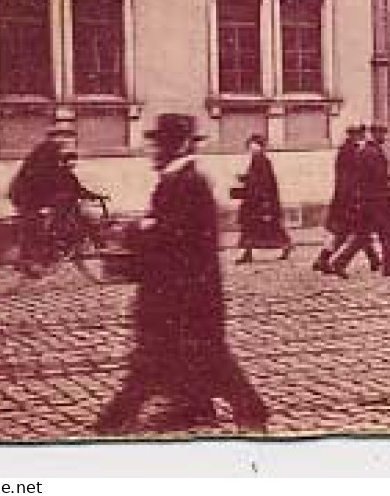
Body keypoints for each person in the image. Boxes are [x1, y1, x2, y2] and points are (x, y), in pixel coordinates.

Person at [94, 113, 267, 435]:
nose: (154, 152)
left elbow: (173, 239)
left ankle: (112, 423)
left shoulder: (186, 183)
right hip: (182, 293)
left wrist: (135, 232)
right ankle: (199, 409)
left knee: (159, 360)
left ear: (175, 147)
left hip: (184, 296)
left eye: (160, 145)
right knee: (191, 356)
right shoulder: (178, 180)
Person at [8, 122, 102, 272]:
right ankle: (29, 261)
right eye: (63, 136)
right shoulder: (46, 151)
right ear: (55, 138)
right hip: (25, 193)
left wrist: (90, 195)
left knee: (64, 203)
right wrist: (65, 191)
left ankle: (56, 241)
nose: (67, 140)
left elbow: (69, 181)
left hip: (36, 192)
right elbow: (47, 177)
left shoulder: (55, 152)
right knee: (34, 224)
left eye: (69, 136)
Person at [330, 126, 390, 277]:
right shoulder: (373, 153)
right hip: (378, 200)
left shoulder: (364, 151)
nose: (384, 136)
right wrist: (387, 178)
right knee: (388, 235)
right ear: (375, 134)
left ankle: (339, 263)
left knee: (362, 236)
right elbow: (378, 177)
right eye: (382, 133)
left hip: (366, 200)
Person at [314, 125, 377, 275]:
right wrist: (353, 197)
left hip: (345, 198)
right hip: (347, 199)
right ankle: (323, 259)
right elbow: (348, 178)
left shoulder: (348, 150)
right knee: (349, 231)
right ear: (353, 135)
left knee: (356, 231)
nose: (361, 137)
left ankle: (374, 259)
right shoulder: (349, 152)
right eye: (359, 134)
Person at [233, 134, 292, 264]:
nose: (252, 147)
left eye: (255, 144)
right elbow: (256, 179)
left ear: (260, 147)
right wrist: (244, 178)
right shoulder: (256, 160)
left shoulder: (262, 160)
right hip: (254, 200)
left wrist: (266, 202)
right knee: (250, 227)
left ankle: (285, 245)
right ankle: (247, 253)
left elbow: (265, 182)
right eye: (250, 145)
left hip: (260, 201)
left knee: (265, 227)